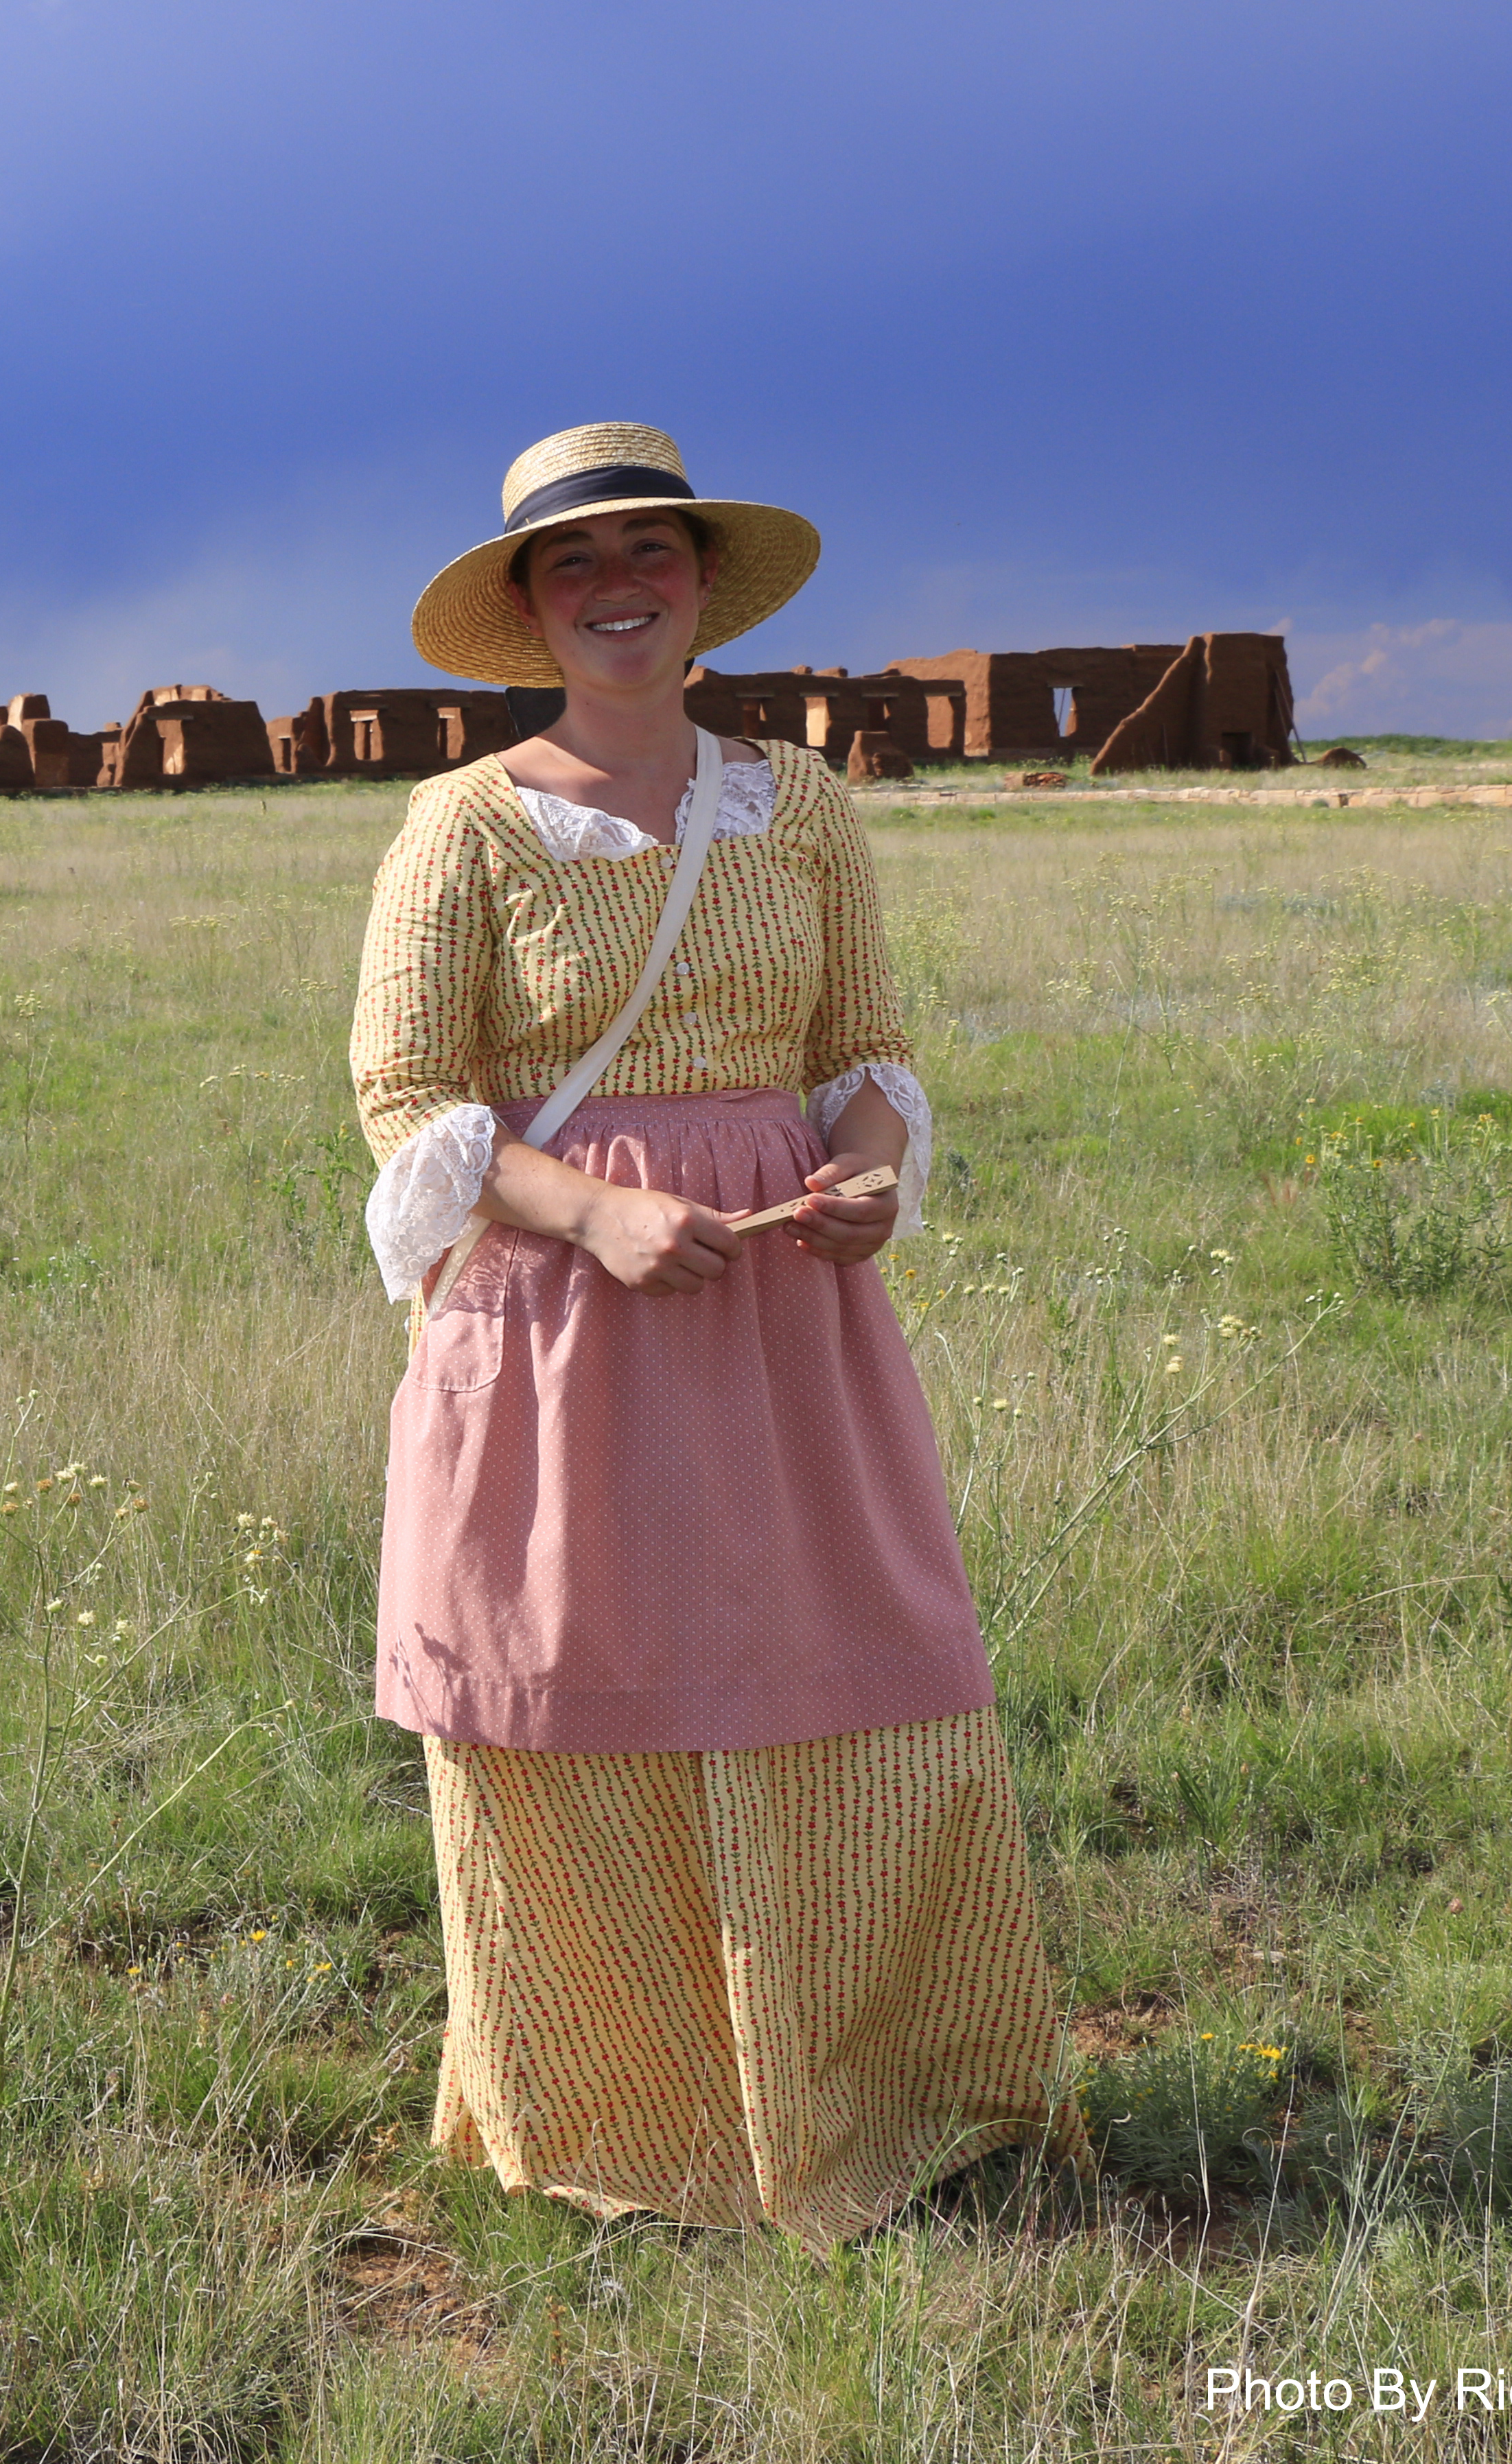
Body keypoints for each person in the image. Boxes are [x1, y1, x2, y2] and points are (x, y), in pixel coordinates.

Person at [348, 421, 1065, 2247]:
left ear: (698, 588)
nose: (617, 590)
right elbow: (404, 1094)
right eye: (575, 565)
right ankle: (627, 2116)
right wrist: (592, 1211)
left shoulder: (804, 803)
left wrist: (875, 1174)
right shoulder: (470, 824)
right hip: (563, 1329)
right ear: (527, 607)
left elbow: (869, 1057)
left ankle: (868, 2087)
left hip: (783, 1329)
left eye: (647, 555)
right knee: (579, 1695)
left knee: (840, 1678)